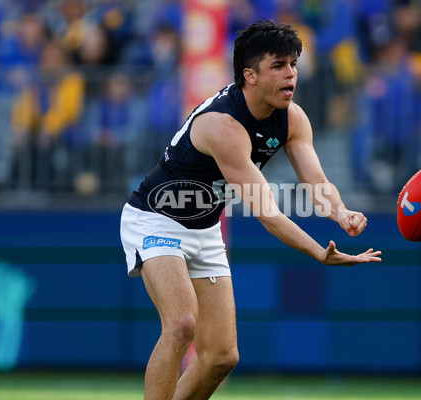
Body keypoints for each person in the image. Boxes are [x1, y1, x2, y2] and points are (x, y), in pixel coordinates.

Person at [120, 20, 382, 400]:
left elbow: (317, 183)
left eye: (292, 64)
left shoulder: (292, 117)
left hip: (204, 227)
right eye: (278, 66)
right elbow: (267, 212)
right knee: (181, 324)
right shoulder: (223, 126)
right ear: (250, 75)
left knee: (222, 356)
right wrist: (316, 252)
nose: (290, 74)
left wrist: (341, 213)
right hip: (155, 218)